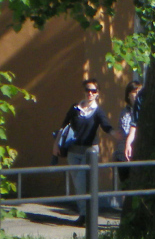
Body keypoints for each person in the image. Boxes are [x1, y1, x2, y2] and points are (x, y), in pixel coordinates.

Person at [52, 79, 114, 223]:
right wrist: (56, 144)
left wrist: (115, 134)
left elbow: (106, 126)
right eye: (87, 90)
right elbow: (64, 125)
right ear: (84, 91)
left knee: (83, 183)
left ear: (98, 93)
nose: (90, 93)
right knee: (79, 184)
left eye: (93, 91)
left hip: (90, 152)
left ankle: (89, 215)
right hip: (73, 152)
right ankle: (83, 215)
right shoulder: (75, 108)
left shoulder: (97, 111)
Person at [114, 81, 142, 204]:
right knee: (126, 186)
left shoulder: (144, 110)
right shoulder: (125, 112)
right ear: (128, 95)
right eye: (134, 92)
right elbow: (126, 132)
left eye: (139, 92)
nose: (136, 95)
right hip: (124, 156)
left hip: (138, 154)